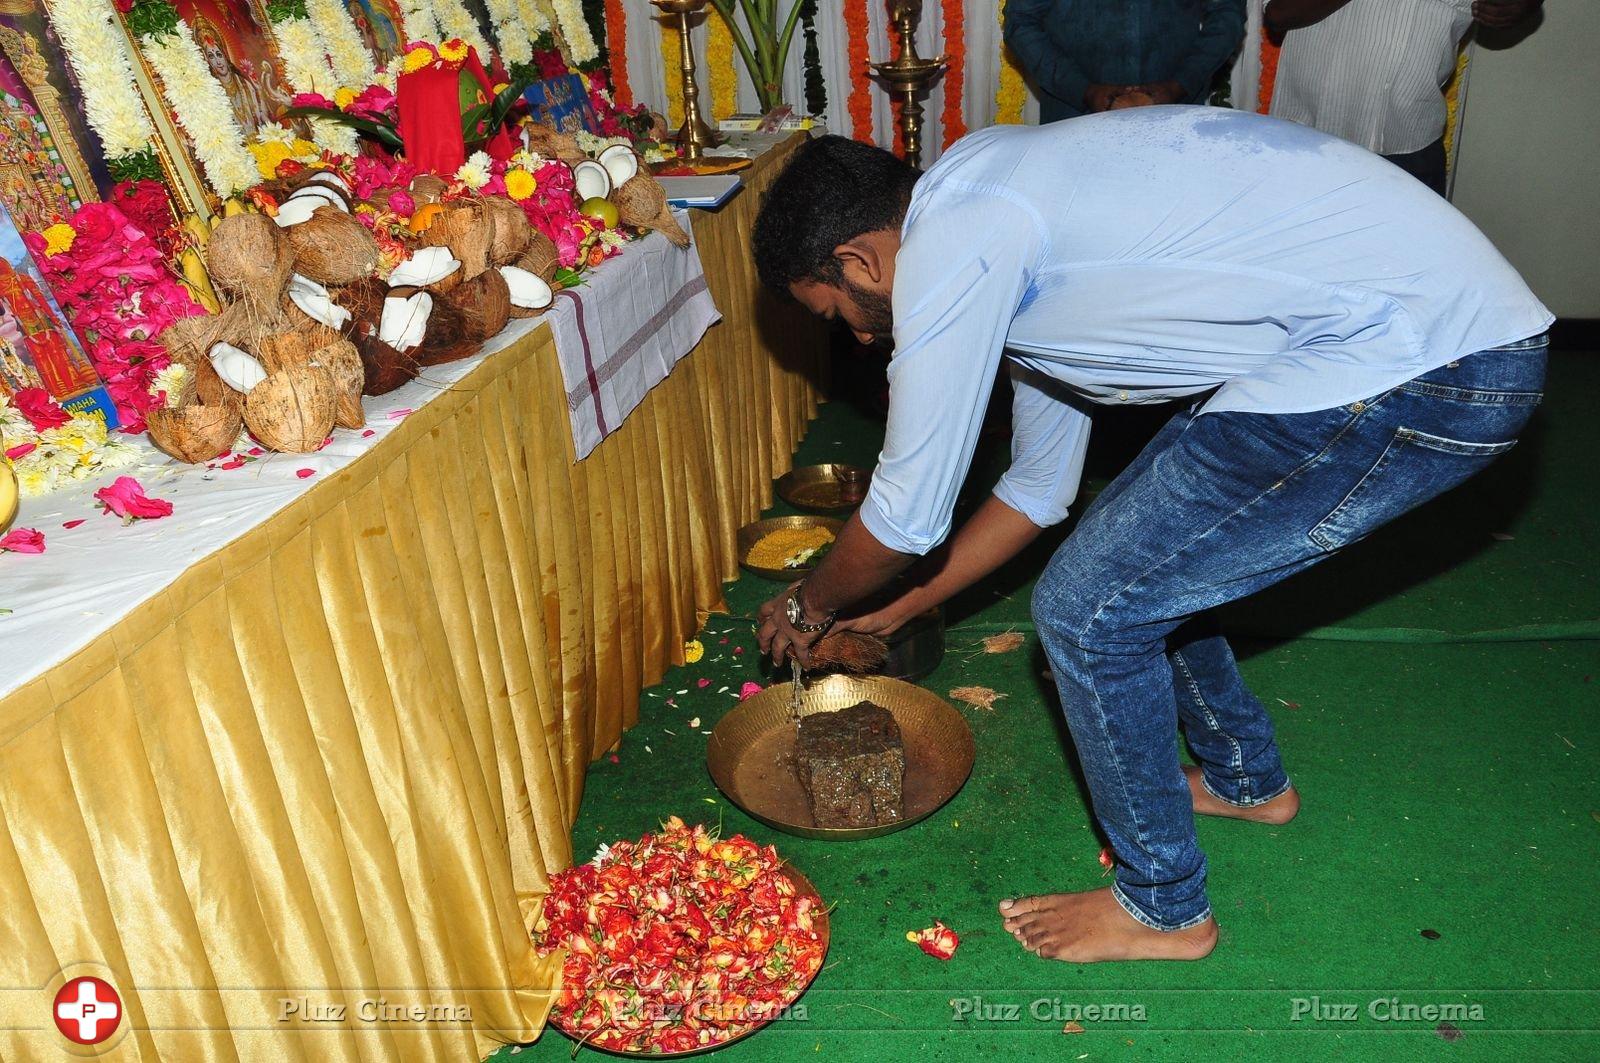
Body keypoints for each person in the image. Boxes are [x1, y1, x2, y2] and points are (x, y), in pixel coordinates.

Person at [749, 111, 1551, 963]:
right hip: (1390, 343)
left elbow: (908, 514)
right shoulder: (988, 205)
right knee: (1139, 566)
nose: (867, 338)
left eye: (842, 315)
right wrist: (898, 608)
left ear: (860, 260)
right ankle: (1246, 780)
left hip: (1426, 364)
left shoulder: (956, 242)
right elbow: (1037, 489)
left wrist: (810, 603)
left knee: (1088, 609)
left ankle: (1164, 906)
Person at [1267, 0, 1544, 194]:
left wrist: (1524, 5)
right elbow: (1279, 13)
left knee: (1394, 270)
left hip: (1408, 149)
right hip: (1304, 141)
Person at [1004, 0, 1246, 122]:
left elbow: (1227, 15)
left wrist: (1179, 85)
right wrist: (1083, 91)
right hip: (1074, 119)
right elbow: (1021, 23)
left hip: (1175, 118)